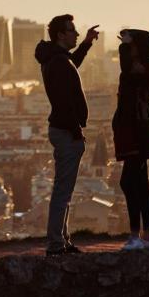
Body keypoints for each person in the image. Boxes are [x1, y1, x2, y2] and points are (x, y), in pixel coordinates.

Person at [34, 15, 99, 256]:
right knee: (63, 190)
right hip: (66, 130)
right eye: (72, 31)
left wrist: (87, 44)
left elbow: (73, 63)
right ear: (61, 35)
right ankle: (55, 243)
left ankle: (61, 239)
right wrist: (76, 132)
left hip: (62, 129)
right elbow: (64, 102)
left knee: (64, 188)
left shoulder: (56, 59)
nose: (76, 34)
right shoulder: (59, 62)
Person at [112, 29, 149, 249]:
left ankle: (139, 233)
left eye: (130, 45)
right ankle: (146, 233)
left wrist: (123, 46)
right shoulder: (139, 68)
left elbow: (128, 71)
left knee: (130, 181)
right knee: (139, 182)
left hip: (138, 129)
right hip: (131, 128)